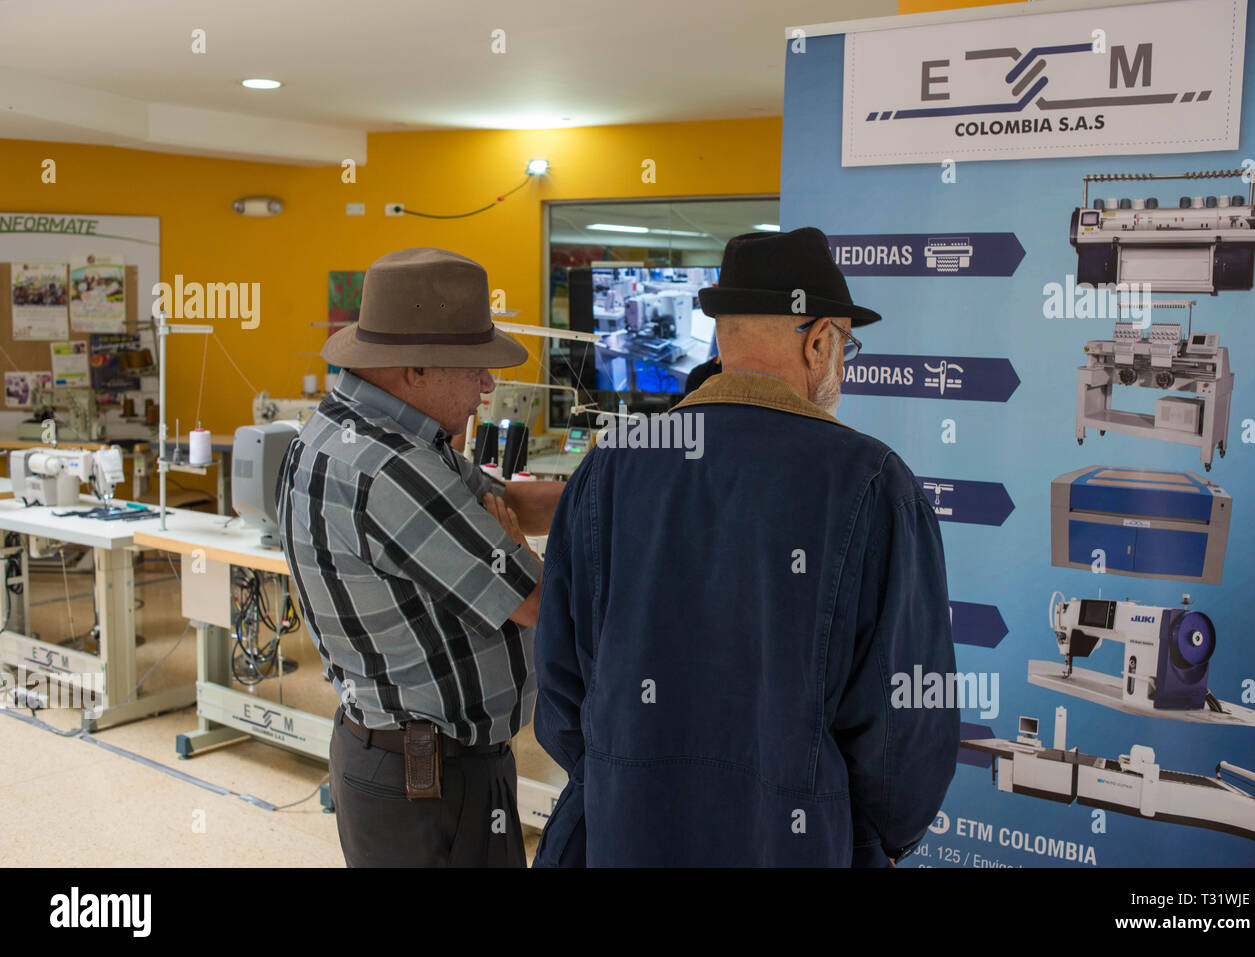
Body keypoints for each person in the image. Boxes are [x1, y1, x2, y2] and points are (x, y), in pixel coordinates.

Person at [532, 227, 958, 866]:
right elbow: (905, 723)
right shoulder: (870, 482)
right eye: (847, 343)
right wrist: (879, 838)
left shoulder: (614, 465)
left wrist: (626, 777)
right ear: (819, 340)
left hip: (625, 830)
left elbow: (562, 687)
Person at [277, 247, 564, 867]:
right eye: (474, 367)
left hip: (395, 763)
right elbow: (545, 603)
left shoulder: (346, 429)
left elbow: (501, 495)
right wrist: (513, 548)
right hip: (433, 785)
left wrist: (613, 496)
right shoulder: (393, 470)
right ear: (415, 370)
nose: (489, 384)